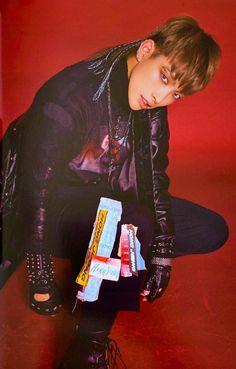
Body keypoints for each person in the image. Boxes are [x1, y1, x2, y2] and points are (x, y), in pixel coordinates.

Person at [1, 15, 229, 369]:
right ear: (146, 50)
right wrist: (40, 272)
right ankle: (87, 349)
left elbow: (154, 177)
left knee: (210, 229)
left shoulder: (150, 108)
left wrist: (162, 251)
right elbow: (34, 191)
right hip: (49, 214)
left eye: (176, 93)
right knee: (130, 222)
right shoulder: (70, 95)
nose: (160, 96)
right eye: (164, 76)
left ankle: (101, 256)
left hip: (105, 206)